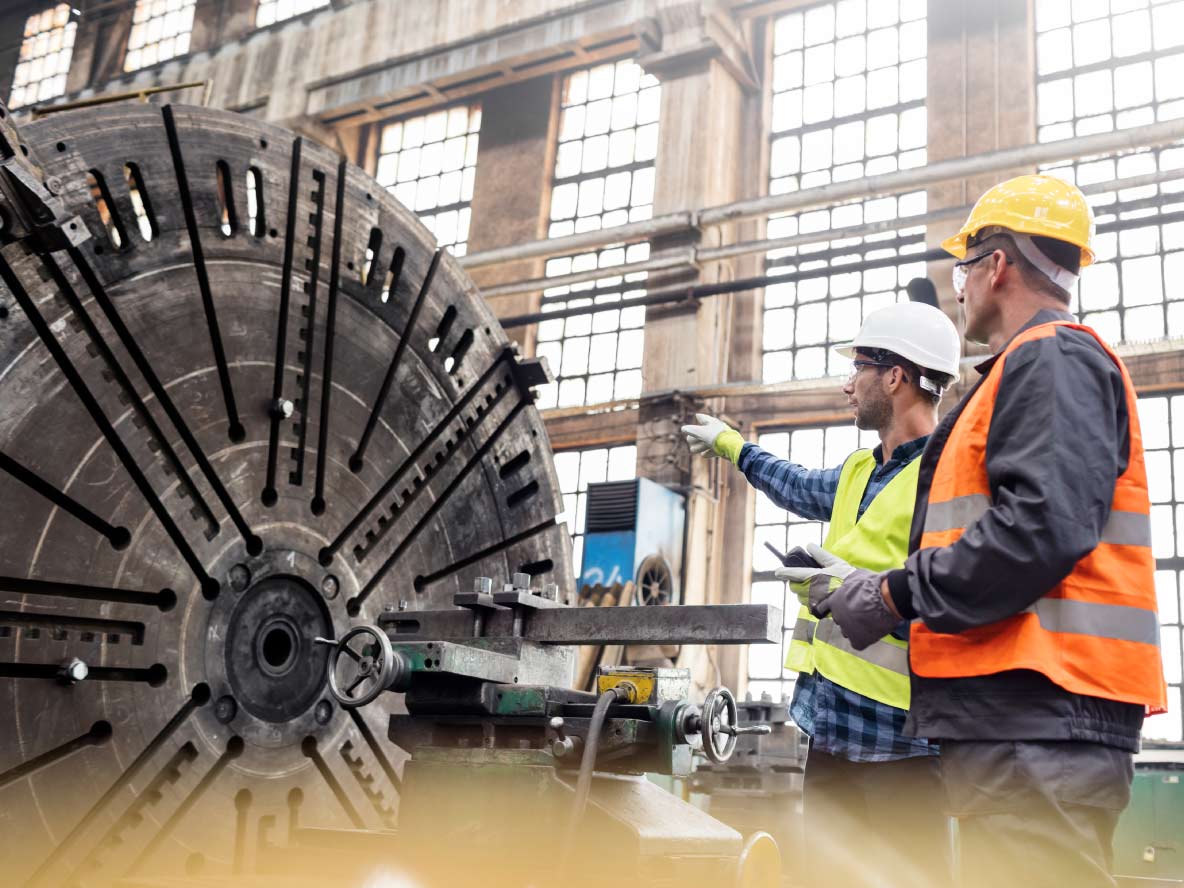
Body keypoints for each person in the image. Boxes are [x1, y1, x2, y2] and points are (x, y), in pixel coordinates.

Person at [814, 174, 1169, 888]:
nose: (962, 287)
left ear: (997, 265)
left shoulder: (1055, 358)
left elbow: (1036, 531)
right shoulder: (1021, 371)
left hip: (1044, 717)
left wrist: (891, 594)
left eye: (964, 268)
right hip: (1024, 724)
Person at [682, 301, 961, 888]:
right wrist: (733, 446)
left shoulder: (950, 478)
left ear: (895, 376)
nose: (846, 386)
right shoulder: (861, 470)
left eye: (858, 367)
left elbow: (959, 602)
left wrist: (853, 591)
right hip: (831, 730)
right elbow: (796, 484)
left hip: (904, 747)